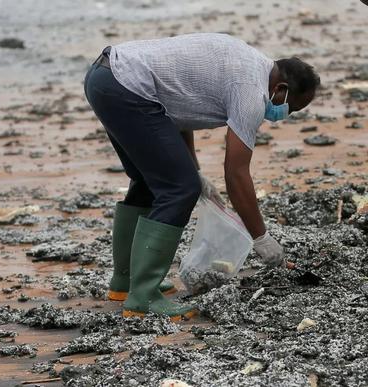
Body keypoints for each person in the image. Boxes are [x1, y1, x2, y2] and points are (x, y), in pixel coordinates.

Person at [83, 33, 320, 319]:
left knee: (151, 180)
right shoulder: (251, 93)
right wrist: (261, 237)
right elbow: (235, 173)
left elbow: (178, 106)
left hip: (105, 76)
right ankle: (143, 297)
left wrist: (193, 168)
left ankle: (126, 282)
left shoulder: (250, 61)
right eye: (291, 108)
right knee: (178, 189)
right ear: (280, 88)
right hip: (128, 87)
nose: (286, 114)